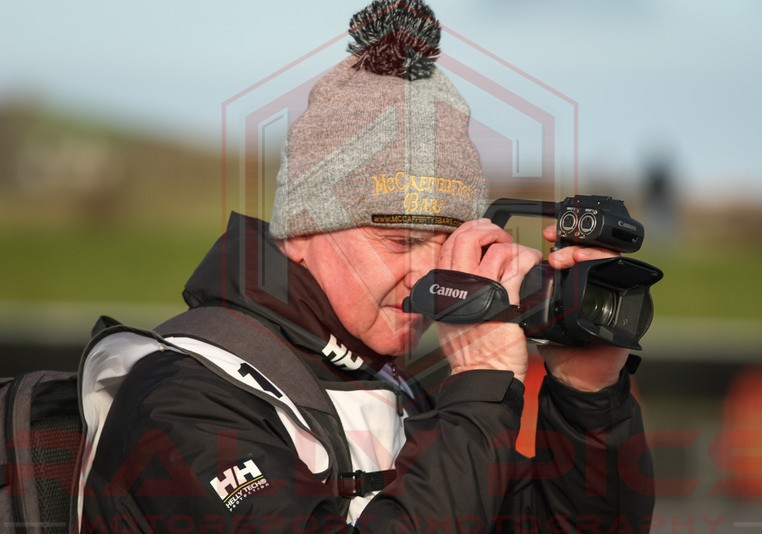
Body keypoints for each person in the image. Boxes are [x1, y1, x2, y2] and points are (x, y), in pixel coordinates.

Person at [77, 1, 654, 531]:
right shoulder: (185, 399)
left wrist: (587, 399)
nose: (430, 277)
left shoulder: (396, 387)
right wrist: (480, 386)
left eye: (451, 244)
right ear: (301, 231)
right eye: (402, 243)